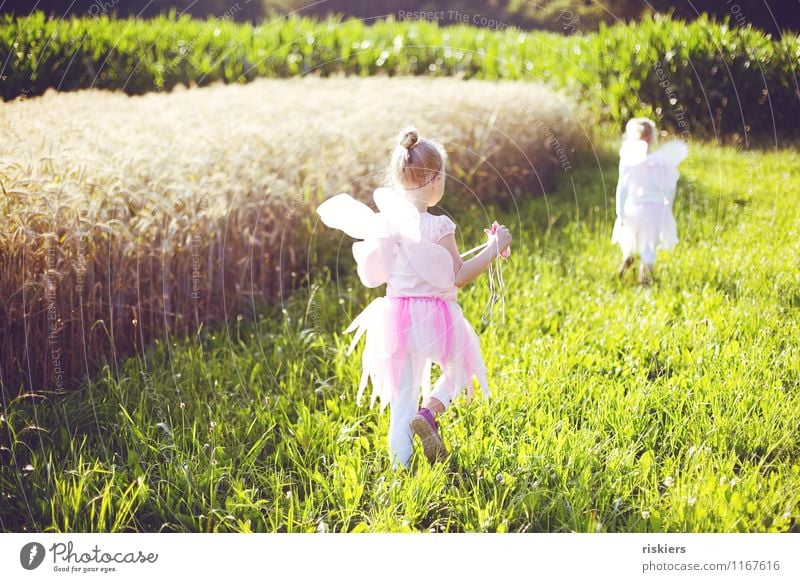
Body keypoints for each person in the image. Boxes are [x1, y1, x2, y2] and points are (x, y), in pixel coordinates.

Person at [317, 126, 512, 469]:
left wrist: (485, 247)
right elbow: (458, 275)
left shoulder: (385, 225)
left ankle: (400, 473)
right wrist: (495, 248)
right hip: (436, 317)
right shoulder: (439, 226)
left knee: (400, 403)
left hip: (396, 319)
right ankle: (432, 410)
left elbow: (425, 268)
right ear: (435, 179)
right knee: (464, 364)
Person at [612, 117, 688, 285]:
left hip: (634, 206)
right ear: (653, 137)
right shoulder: (663, 161)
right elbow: (670, 188)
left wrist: (620, 211)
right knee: (648, 246)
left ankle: (625, 268)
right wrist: (667, 205)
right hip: (656, 208)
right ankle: (644, 279)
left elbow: (622, 187)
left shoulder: (628, 159)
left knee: (630, 240)